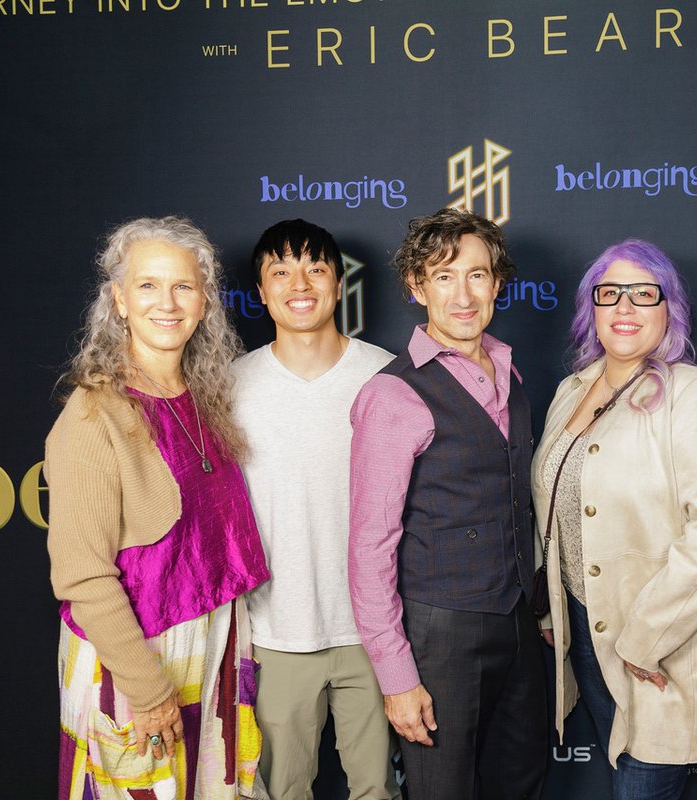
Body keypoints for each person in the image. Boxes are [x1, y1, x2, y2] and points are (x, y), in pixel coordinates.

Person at [46, 216, 271, 799]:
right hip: (136, 664)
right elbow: (82, 576)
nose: (166, 303)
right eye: (147, 285)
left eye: (183, 286)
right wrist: (146, 690)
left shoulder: (203, 398)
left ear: (204, 302)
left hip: (212, 647)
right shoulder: (93, 415)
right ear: (119, 300)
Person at [533, 239, 697, 799]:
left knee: (641, 787)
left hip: (661, 639)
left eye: (643, 293)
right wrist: (552, 607)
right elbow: (550, 504)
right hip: (585, 628)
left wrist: (644, 639)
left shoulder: (695, 395)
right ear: (591, 308)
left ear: (669, 308)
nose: (624, 307)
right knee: (621, 773)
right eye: (609, 293)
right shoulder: (570, 391)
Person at [348, 207, 546, 800]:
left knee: (522, 783)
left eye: (477, 275)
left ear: (497, 283)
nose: (463, 295)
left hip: (517, 621)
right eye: (443, 276)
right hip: (441, 633)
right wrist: (397, 677)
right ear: (416, 286)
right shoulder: (393, 394)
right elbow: (369, 547)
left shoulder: (510, 373)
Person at [232, 218, 400, 800]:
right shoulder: (229, 386)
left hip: (375, 634)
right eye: (281, 271)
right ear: (261, 290)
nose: (299, 284)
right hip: (274, 632)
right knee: (283, 791)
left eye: (315, 268)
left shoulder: (387, 375)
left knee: (378, 790)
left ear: (338, 282)